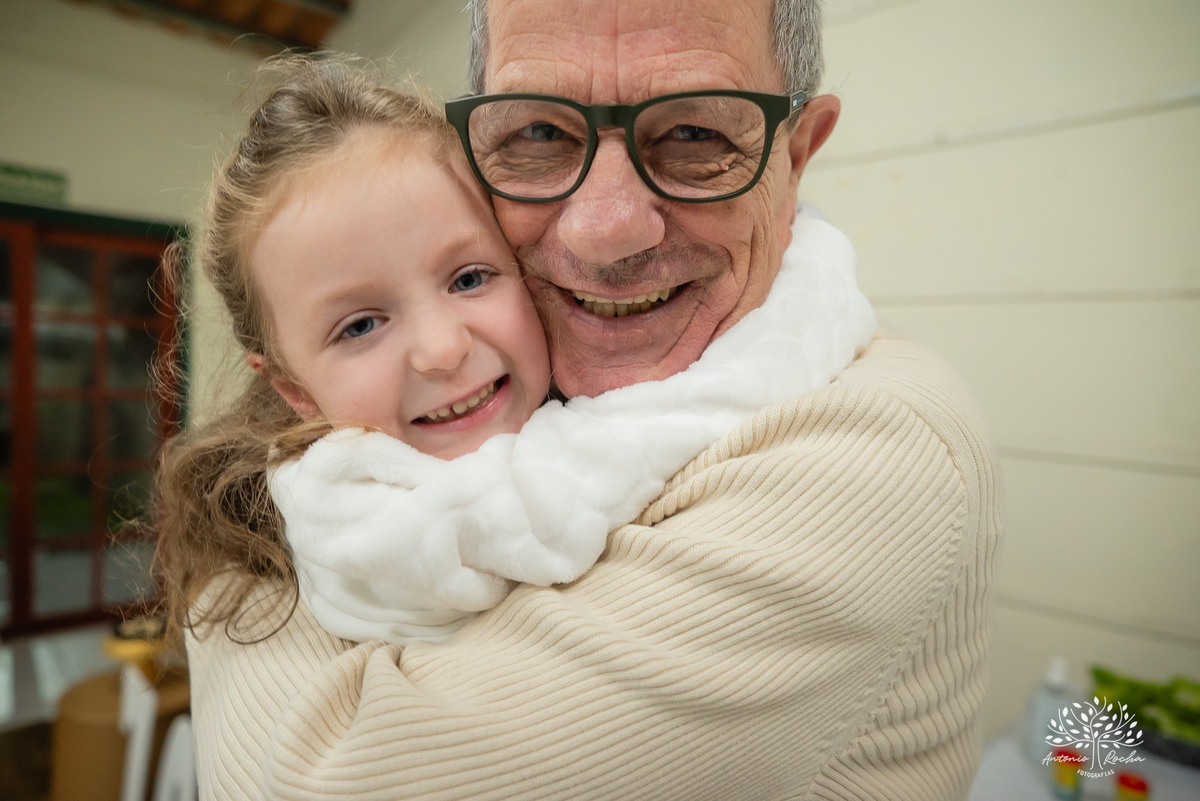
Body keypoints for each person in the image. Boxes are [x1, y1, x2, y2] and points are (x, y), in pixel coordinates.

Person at [182, 2, 1002, 800]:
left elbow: (328, 780)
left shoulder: (878, 446)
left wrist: (233, 588)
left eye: (694, 134)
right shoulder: (519, 401)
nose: (603, 228)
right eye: (540, 133)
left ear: (798, 152)